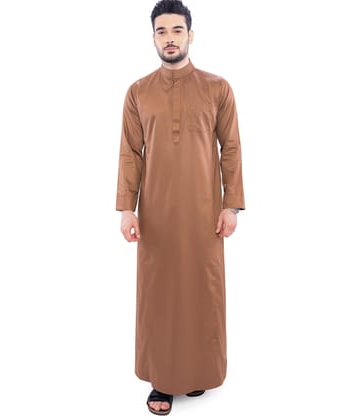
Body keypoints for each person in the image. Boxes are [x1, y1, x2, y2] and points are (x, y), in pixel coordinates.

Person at [116, 0, 245, 415]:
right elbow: (130, 153)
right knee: (160, 295)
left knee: (202, 292)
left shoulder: (217, 88)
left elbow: (231, 149)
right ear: (153, 38)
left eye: (176, 30)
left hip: (205, 213)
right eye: (161, 31)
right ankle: (162, 379)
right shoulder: (138, 92)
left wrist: (231, 206)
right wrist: (127, 208)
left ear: (191, 35)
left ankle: (198, 371)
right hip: (155, 214)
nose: (169, 39)